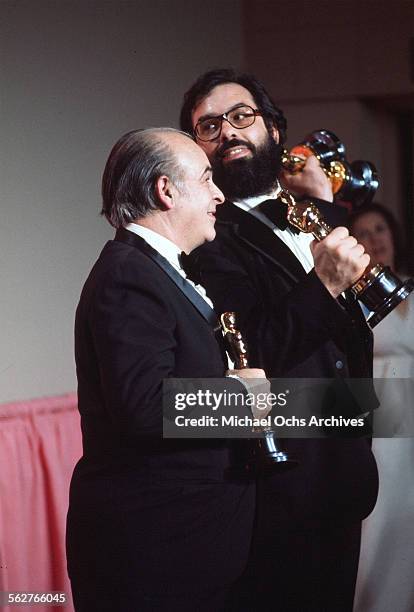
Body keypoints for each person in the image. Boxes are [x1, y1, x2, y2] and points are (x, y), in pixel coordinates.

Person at [179, 69, 379, 611]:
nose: (228, 132)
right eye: (209, 126)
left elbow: (346, 341)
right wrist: (326, 284)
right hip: (280, 490)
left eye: (241, 116)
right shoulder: (208, 240)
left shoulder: (305, 214)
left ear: (273, 127)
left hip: (342, 474)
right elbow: (254, 351)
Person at [66, 127, 267, 612]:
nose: (220, 193)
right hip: (156, 556)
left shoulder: (152, 270)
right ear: (166, 191)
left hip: (182, 549)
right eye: (206, 179)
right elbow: (144, 406)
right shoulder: (128, 275)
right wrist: (239, 395)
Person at [350, 203, 414, 612]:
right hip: (383, 416)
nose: (375, 239)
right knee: (383, 518)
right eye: (365, 233)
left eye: (380, 229)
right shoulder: (350, 300)